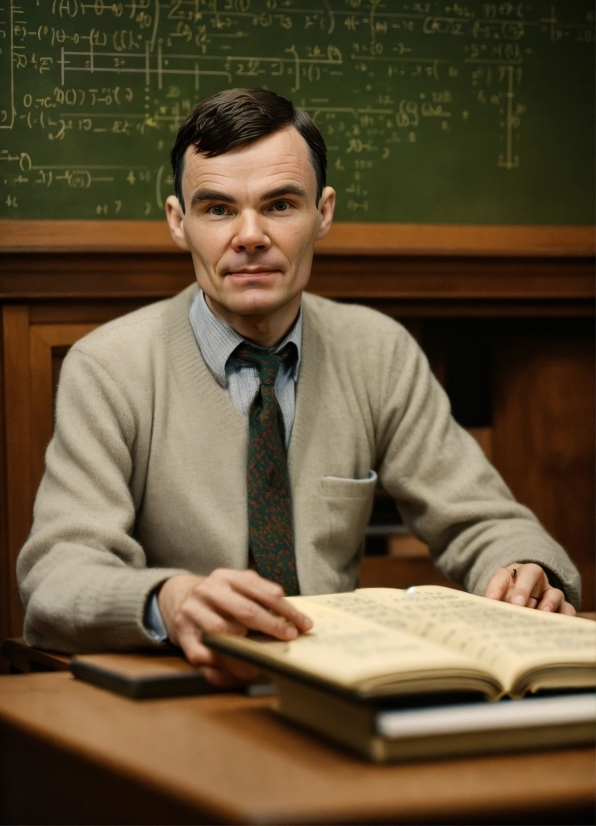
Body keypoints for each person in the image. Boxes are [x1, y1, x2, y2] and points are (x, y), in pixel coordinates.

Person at [17, 89, 580, 686]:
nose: (250, 235)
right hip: (184, 687)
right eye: (218, 210)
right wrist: (168, 600)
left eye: (280, 205)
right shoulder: (107, 367)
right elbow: (58, 576)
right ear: (179, 223)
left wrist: (521, 567)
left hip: (345, 684)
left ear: (324, 212)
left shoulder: (378, 352)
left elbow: (484, 520)